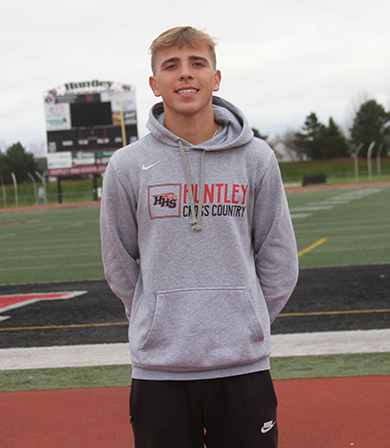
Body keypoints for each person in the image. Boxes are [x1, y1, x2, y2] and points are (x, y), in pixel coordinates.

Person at [100, 26, 299, 447]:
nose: (185, 74)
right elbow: (119, 263)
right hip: (160, 368)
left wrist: (247, 320)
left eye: (197, 64)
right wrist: (152, 321)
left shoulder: (256, 158)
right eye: (171, 66)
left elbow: (279, 258)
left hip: (242, 366)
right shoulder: (127, 166)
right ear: (156, 84)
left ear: (216, 77)